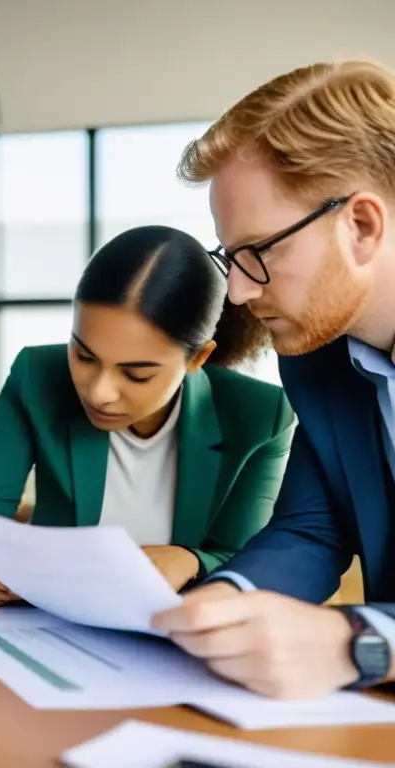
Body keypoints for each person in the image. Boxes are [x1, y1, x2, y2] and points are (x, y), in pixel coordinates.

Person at [151, 59, 395, 699]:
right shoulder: (316, 355)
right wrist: (226, 599)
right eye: (230, 258)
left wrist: (359, 643)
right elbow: (312, 528)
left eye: (259, 253)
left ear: (362, 226)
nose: (236, 293)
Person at [0, 225, 295, 608]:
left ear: (198, 358)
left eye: (136, 373)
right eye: (84, 355)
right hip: (48, 630)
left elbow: (246, 561)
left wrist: (191, 560)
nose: (99, 392)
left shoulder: (261, 416)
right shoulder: (37, 376)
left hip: (171, 645)